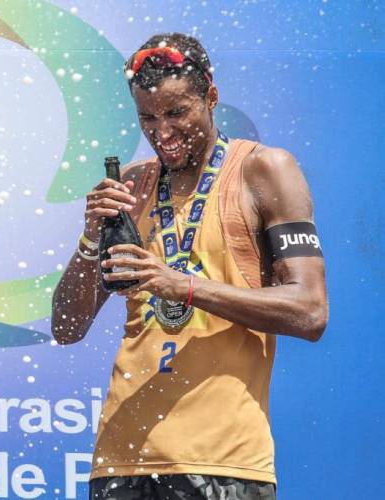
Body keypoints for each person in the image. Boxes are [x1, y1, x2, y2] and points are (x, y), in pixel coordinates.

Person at [52, 33, 328, 500]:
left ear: (211, 97)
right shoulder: (133, 185)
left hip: (224, 463)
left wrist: (183, 286)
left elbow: (310, 310)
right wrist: (91, 235)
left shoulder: (263, 170)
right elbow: (66, 326)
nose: (162, 132)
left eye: (177, 113)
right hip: (120, 462)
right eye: (148, 118)